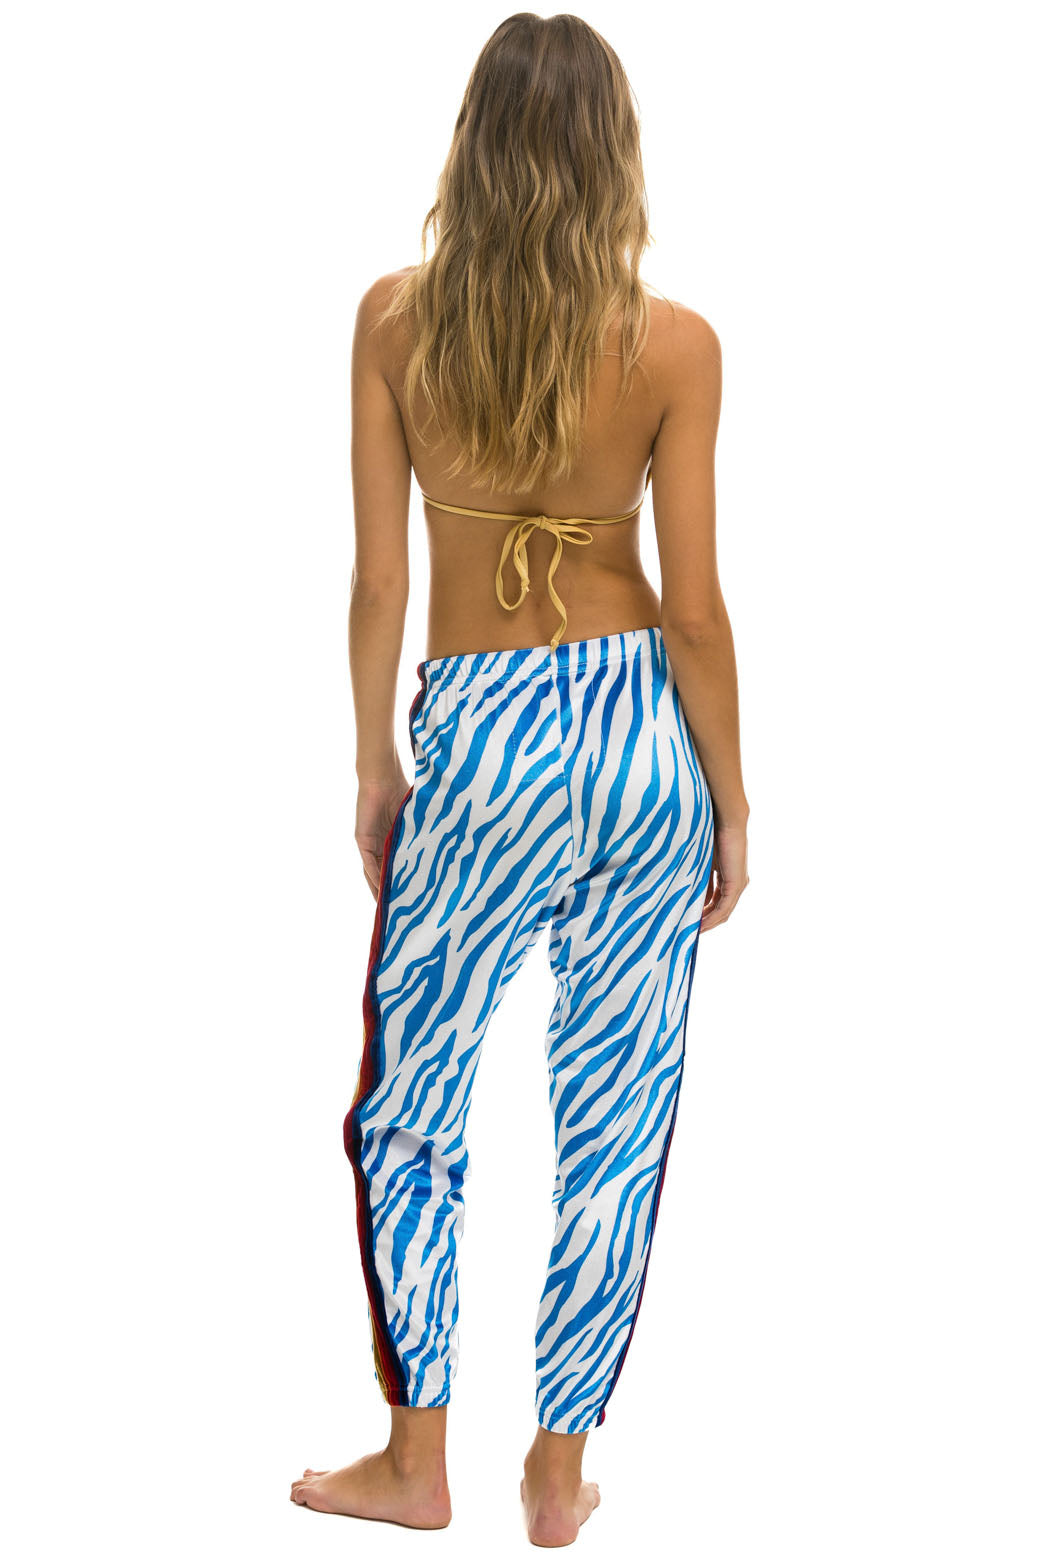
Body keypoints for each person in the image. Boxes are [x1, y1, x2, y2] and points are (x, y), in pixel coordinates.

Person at [291, 11, 749, 1547]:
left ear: (473, 145)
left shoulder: (394, 323)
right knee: (617, 1113)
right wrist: (730, 802)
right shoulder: (673, 345)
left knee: (412, 1102)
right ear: (614, 154)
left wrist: (378, 763)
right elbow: (696, 611)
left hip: (481, 740)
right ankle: (557, 1474)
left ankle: (417, 1460)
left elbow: (378, 582)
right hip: (637, 739)